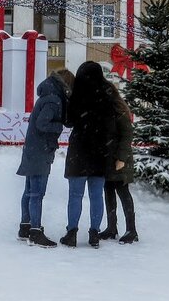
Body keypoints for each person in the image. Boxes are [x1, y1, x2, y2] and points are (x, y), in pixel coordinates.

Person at [61, 61, 121, 248]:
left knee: (75, 195)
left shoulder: (77, 95)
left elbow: (68, 122)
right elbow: (112, 127)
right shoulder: (107, 96)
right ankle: (94, 233)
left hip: (79, 150)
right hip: (100, 152)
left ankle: (72, 233)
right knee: (96, 195)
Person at [16, 70, 73, 249]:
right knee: (37, 193)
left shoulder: (47, 95)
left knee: (29, 191)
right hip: (41, 149)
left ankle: (25, 227)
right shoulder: (54, 100)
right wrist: (59, 126)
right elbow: (42, 124)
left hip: (33, 148)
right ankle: (35, 232)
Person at [97, 94, 138, 244]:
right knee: (108, 194)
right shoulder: (105, 113)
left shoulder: (120, 113)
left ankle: (131, 230)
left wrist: (121, 158)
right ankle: (111, 227)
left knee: (123, 193)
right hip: (107, 161)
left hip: (119, 161)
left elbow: (127, 136)